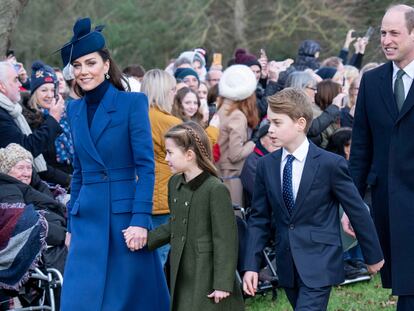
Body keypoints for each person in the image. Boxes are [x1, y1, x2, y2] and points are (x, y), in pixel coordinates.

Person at [59, 17, 169, 310]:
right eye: (78, 65)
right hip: (87, 219)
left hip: (125, 220)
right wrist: (72, 222)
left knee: (126, 301)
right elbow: (79, 172)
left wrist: (140, 220)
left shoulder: (132, 103)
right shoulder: (74, 109)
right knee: (79, 300)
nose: (84, 71)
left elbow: (146, 168)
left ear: (106, 65)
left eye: (90, 63)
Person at [242, 88, 384, 310]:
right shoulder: (266, 165)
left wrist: (373, 254)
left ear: (300, 123)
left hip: (320, 262)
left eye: (278, 123)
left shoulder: (330, 164)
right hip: (287, 264)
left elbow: (356, 209)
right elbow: (258, 218)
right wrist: (251, 265)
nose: (270, 130)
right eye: (270, 122)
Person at [348, 5, 414, 310]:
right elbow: (361, 149)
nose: (386, 40)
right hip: (390, 205)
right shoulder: (372, 82)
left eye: (394, 33)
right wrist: (351, 204)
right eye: (383, 33)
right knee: (405, 286)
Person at [143, 121, 244, 311]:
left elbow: (225, 240)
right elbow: (175, 224)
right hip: (183, 269)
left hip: (206, 273)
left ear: (189, 155)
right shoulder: (174, 183)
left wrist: (222, 283)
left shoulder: (215, 189)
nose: (166, 158)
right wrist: (146, 240)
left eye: (170, 153)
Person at [0, 61, 64, 177]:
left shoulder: (13, 110)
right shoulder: (10, 115)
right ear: (1, 86)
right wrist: (53, 119)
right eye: (15, 80)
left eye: (52, 90)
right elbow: (25, 151)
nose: (19, 84)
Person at [23, 61, 72, 187]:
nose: (49, 95)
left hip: (73, 176)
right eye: (44, 90)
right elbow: (41, 166)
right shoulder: (30, 119)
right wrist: (70, 180)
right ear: (34, 92)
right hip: (51, 185)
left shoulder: (64, 115)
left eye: (52, 90)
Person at [216, 64, 259, 207]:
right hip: (231, 177)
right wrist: (252, 144)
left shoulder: (221, 109)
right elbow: (234, 155)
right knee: (235, 223)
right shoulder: (237, 116)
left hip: (218, 173)